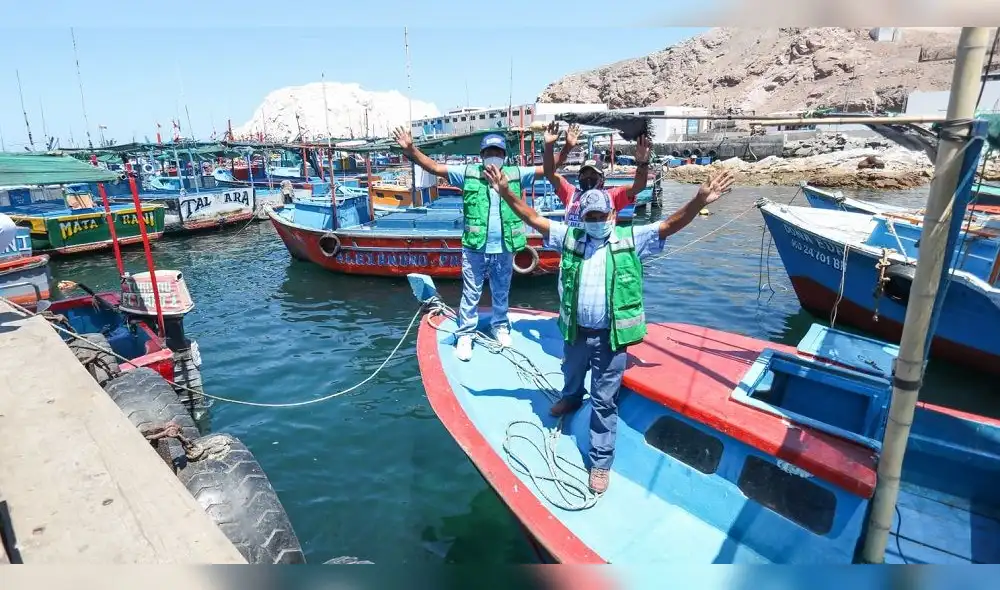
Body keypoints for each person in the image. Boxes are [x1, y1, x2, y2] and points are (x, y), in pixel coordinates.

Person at [483, 164, 735, 494]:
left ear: (612, 216)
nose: (597, 221)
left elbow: (670, 225)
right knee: (571, 373)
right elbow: (533, 218)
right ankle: (571, 398)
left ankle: (600, 462)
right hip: (576, 331)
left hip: (611, 337)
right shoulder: (571, 240)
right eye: (590, 217)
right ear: (581, 219)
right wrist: (505, 192)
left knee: (604, 400)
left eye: (602, 215)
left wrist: (698, 200)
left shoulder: (631, 240)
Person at [391, 126, 544, 361]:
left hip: (504, 247)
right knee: (471, 292)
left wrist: (561, 148)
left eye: (498, 152)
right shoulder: (467, 173)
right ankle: (466, 333)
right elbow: (433, 167)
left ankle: (500, 326)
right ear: (481, 156)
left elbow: (549, 170)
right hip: (475, 247)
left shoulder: (516, 174)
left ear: (504, 156)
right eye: (489, 152)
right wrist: (411, 149)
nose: (494, 156)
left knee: (501, 290)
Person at [541, 122, 651, 227]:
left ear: (602, 179)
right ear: (579, 178)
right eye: (584, 174)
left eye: (593, 175)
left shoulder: (612, 196)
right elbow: (549, 173)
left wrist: (642, 163)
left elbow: (639, 186)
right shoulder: (570, 194)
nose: (588, 178)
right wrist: (550, 146)